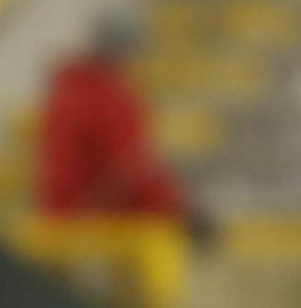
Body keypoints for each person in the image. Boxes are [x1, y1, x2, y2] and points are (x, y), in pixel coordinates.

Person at [34, 26, 189, 221]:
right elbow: (129, 169)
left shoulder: (67, 90)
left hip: (58, 213)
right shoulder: (110, 99)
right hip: (93, 219)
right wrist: (176, 208)